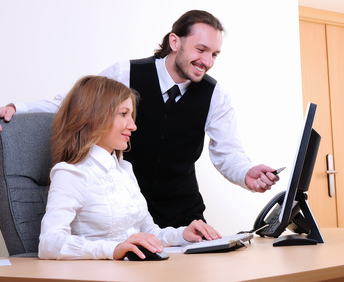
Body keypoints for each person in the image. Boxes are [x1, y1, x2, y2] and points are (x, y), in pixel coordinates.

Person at [0, 10, 280, 229]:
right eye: (201, 49)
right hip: (124, 214)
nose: (208, 61)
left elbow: (228, 153)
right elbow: (76, 101)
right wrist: (18, 107)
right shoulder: (126, 73)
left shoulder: (216, 95)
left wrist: (247, 173)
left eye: (215, 54)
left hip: (184, 218)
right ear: (174, 41)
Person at [38, 75, 221, 260]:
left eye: (132, 115)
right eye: (123, 114)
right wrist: (113, 249)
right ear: (95, 117)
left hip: (135, 271)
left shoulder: (124, 169)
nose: (133, 126)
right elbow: (49, 243)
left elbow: (149, 233)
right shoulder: (71, 173)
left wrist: (182, 234)